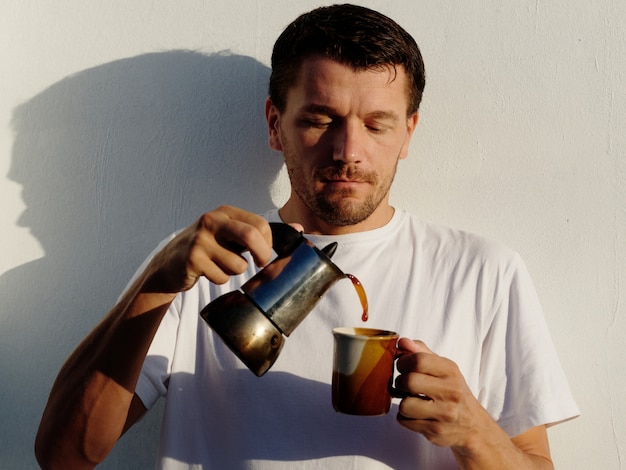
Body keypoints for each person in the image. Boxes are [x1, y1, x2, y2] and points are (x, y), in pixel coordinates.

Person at [35, 4, 579, 469]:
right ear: (276, 124)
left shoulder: (482, 271)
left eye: (376, 123)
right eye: (320, 119)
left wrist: (474, 432)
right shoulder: (203, 263)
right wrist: (157, 282)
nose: (348, 151)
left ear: (408, 132)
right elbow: (64, 457)